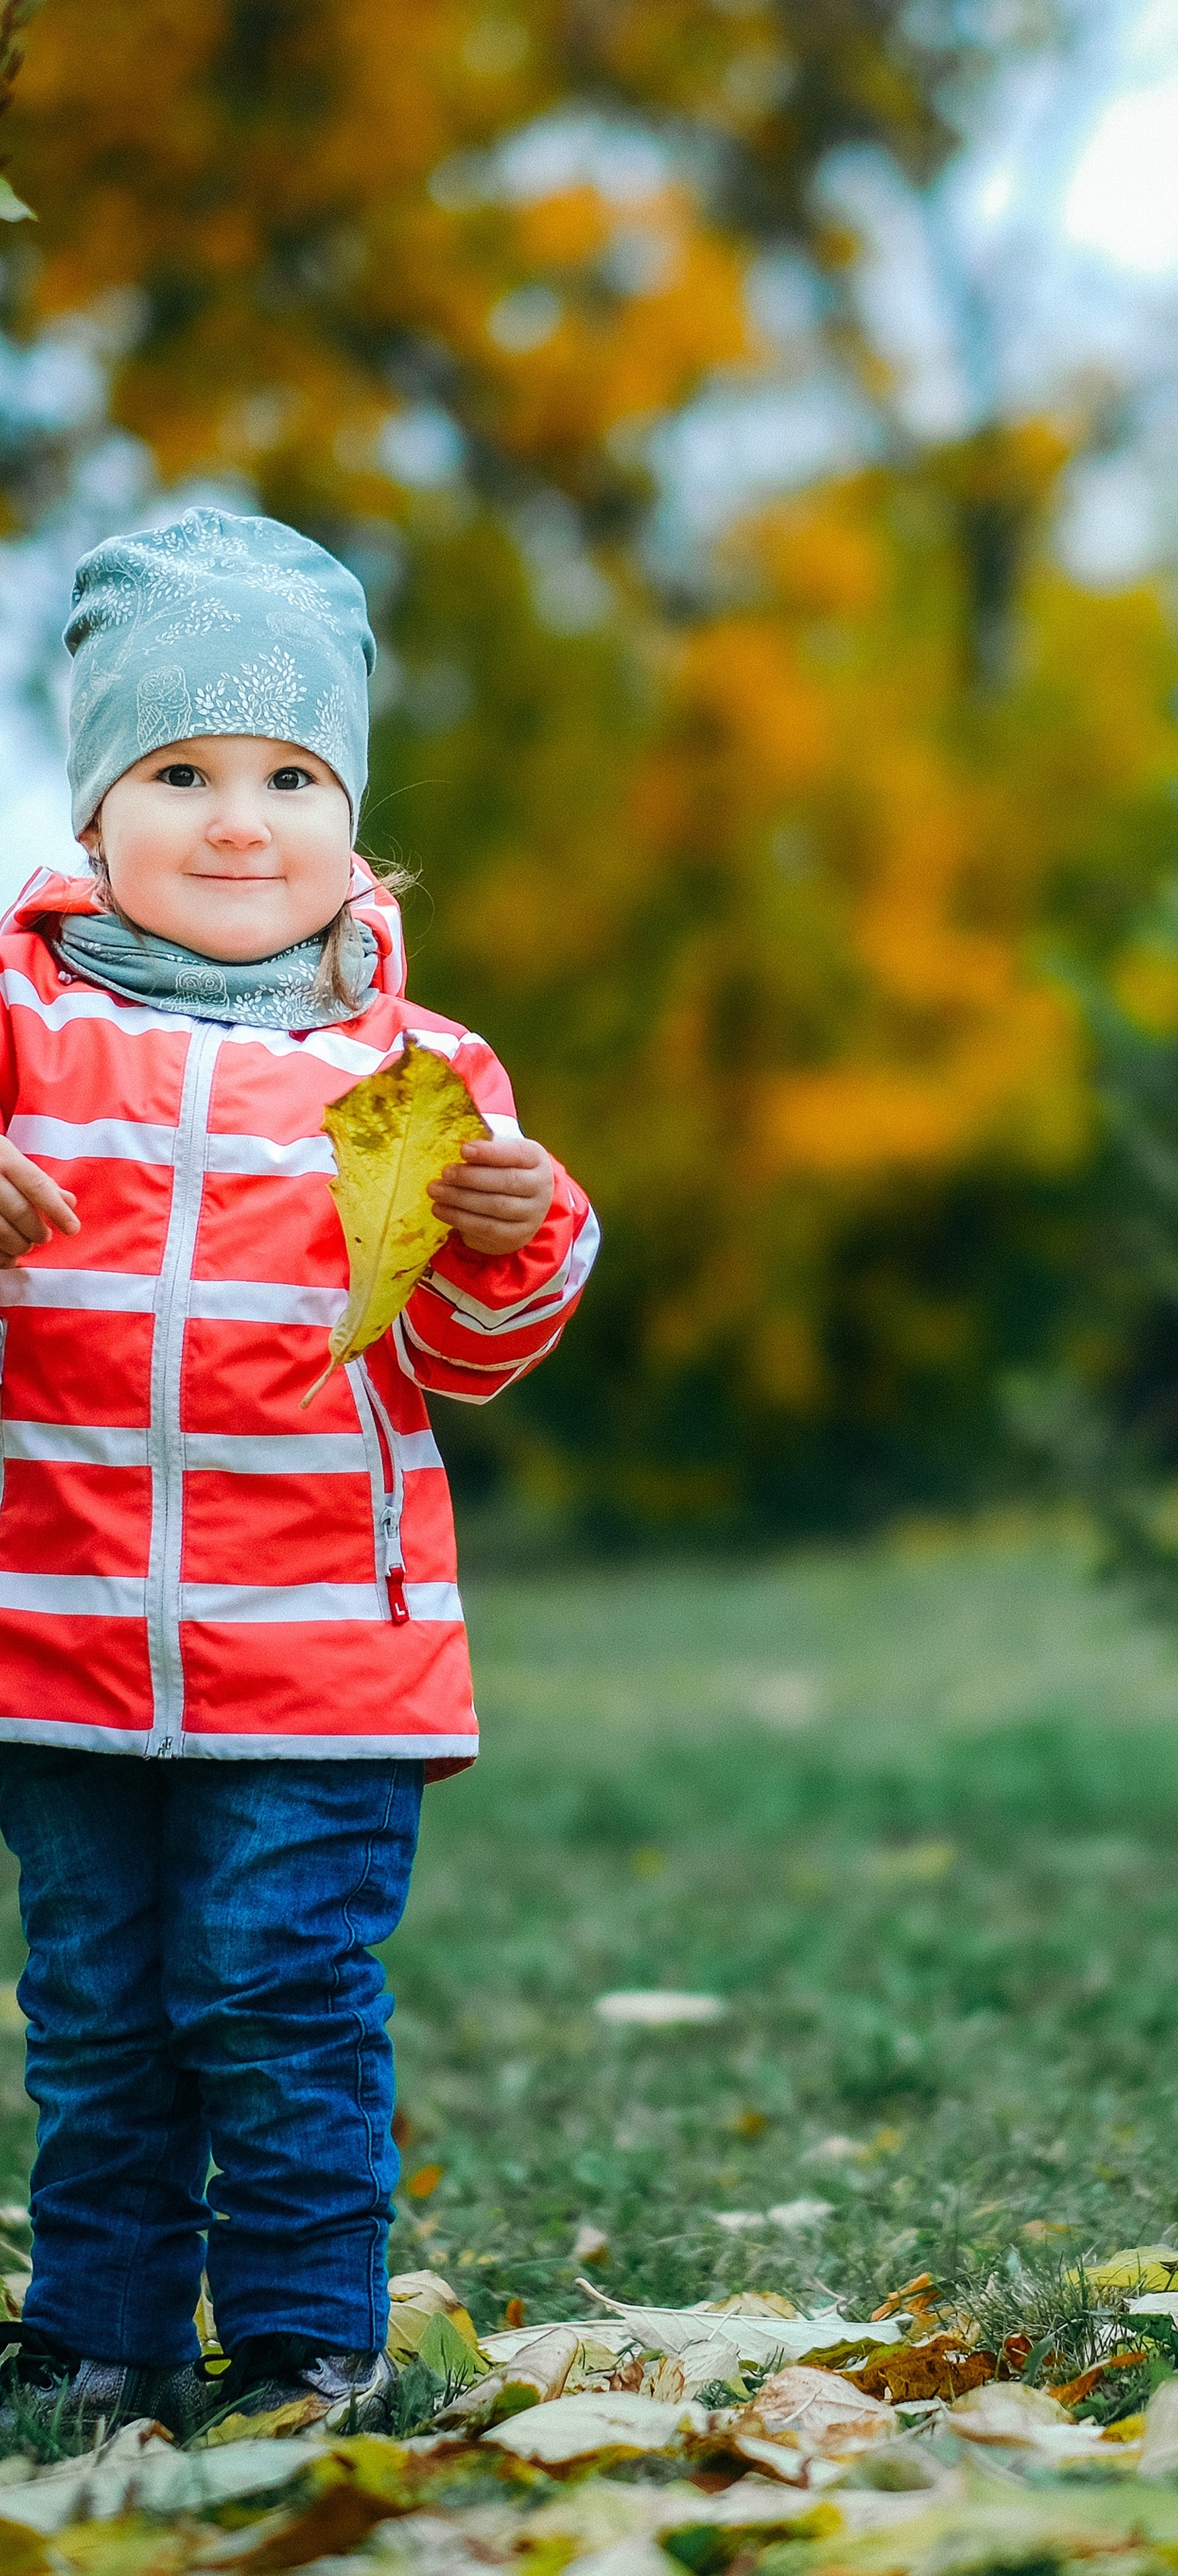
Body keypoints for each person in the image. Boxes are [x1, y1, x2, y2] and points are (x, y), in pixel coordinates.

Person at [0, 508, 596, 2440]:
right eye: (179, 773)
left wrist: (509, 1233)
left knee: (276, 2004)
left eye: (287, 775)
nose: (237, 819)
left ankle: (305, 2341)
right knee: (95, 2021)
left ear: (355, 821)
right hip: (58, 1641)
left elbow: (463, 1357)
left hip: (322, 1654)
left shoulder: (420, 1074)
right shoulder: (22, 1045)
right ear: (97, 818)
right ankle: (100, 2341)